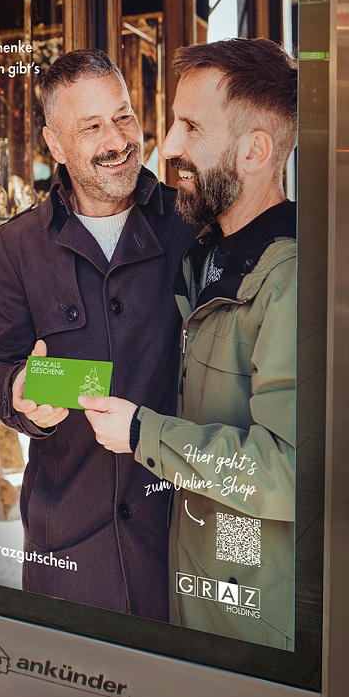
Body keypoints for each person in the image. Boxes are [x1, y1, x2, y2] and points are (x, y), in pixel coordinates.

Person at [84, 38, 297, 650]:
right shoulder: (205, 252)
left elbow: (288, 469)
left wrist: (141, 434)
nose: (169, 146)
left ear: (254, 150)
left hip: (247, 610)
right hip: (195, 576)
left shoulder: (287, 278)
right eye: (173, 122)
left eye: (191, 127)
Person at [0, 48, 195, 619]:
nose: (117, 140)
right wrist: (18, 393)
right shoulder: (18, 244)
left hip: (176, 530)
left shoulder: (190, 224)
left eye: (123, 117)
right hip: (68, 535)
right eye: (91, 126)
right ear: (55, 144)